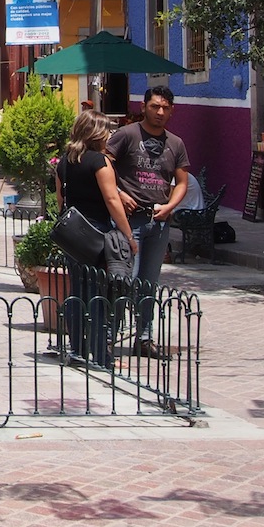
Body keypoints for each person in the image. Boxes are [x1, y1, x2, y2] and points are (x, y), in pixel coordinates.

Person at [106, 84, 190, 358]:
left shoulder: (175, 143)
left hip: (159, 222)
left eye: (165, 108)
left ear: (172, 111)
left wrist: (170, 206)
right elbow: (103, 166)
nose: (160, 112)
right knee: (124, 280)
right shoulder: (126, 135)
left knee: (148, 283)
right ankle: (109, 337)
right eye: (155, 106)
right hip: (130, 222)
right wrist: (119, 193)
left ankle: (144, 338)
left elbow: (181, 182)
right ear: (143, 107)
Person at [55, 110, 137, 369]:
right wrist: (128, 235)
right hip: (97, 233)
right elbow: (112, 200)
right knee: (100, 295)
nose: (110, 135)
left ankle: (78, 350)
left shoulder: (64, 163)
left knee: (78, 291)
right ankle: (102, 356)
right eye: (107, 130)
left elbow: (60, 201)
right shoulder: (100, 162)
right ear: (96, 133)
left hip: (73, 238)